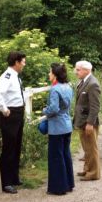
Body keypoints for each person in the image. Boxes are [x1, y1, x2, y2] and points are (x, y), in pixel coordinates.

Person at [0, 51, 26, 194]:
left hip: (18, 114)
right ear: (16, 62)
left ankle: (14, 177)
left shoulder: (15, 76)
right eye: (23, 61)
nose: (24, 64)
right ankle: (6, 182)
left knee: (16, 146)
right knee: (9, 149)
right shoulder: (7, 76)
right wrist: (4, 109)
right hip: (10, 116)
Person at [42, 63, 74, 195]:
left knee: (56, 157)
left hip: (57, 127)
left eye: (50, 72)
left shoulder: (55, 89)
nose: (49, 74)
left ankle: (59, 187)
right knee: (66, 154)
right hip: (66, 125)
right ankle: (69, 184)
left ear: (55, 75)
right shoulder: (68, 87)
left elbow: (54, 109)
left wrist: (45, 110)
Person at [73, 61, 101, 181]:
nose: (76, 72)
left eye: (78, 69)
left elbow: (95, 106)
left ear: (86, 70)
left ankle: (94, 173)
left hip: (88, 123)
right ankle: (87, 169)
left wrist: (90, 123)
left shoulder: (93, 84)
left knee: (91, 148)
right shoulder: (85, 82)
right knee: (87, 149)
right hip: (82, 121)